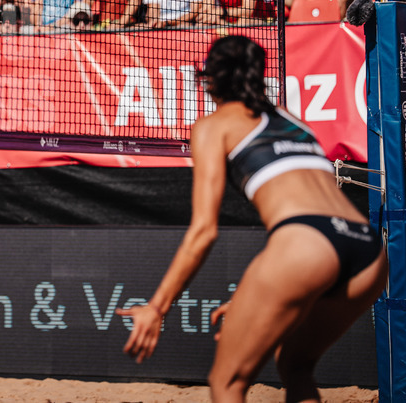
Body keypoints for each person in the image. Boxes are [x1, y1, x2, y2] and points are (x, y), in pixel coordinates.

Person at [118, 35, 387, 401]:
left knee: (227, 383)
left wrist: (156, 307)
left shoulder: (214, 126)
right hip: (367, 249)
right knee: (296, 365)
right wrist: (259, 297)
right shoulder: (292, 120)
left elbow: (203, 231)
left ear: (210, 79)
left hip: (307, 247)